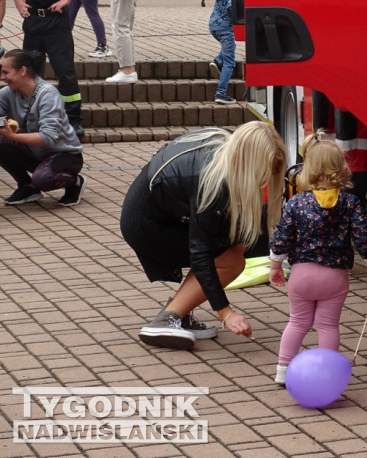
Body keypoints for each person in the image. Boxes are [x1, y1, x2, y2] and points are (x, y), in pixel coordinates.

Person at [120, 122, 287, 350]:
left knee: (238, 244)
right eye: (264, 172)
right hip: (146, 226)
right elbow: (201, 252)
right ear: (249, 160)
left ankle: (180, 314)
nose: (265, 180)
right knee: (231, 261)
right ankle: (166, 320)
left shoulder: (228, 148)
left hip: (156, 210)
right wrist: (226, 313)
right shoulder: (212, 182)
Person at [269, 130, 367, 384]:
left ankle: (282, 369)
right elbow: (364, 237)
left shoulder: (296, 203)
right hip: (334, 278)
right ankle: (328, 375)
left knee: (298, 322)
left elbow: (282, 238)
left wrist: (275, 266)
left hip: (301, 276)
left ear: (307, 170)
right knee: (328, 326)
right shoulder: (351, 203)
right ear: (343, 168)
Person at [12, 0, 97, 137]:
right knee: (30, 71)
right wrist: (18, 0)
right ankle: (31, 117)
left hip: (57, 21)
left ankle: (74, 119)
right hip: (33, 21)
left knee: (65, 71)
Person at [0, 49, 85, 206]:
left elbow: (49, 138)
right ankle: (28, 187)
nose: (2, 77)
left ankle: (74, 182)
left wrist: (12, 136)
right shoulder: (8, 93)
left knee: (43, 179)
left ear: (23, 71)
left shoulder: (47, 94)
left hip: (64, 154)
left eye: (5, 72)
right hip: (36, 152)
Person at [208, 0, 236, 104]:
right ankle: (221, 93)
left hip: (214, 25)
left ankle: (218, 61)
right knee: (230, 62)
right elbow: (231, 6)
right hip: (225, 27)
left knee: (228, 49)